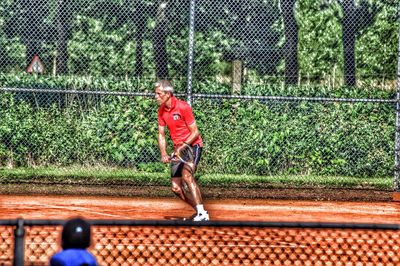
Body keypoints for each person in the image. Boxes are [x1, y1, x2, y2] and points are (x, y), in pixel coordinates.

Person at [155, 79, 209, 221]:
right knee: (176, 188)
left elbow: (195, 132)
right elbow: (161, 134)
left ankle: (201, 213)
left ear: (167, 94)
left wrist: (182, 147)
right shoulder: (161, 111)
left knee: (187, 175)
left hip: (192, 145)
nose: (156, 97)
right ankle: (200, 211)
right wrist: (164, 153)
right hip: (178, 149)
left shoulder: (183, 107)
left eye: (158, 94)